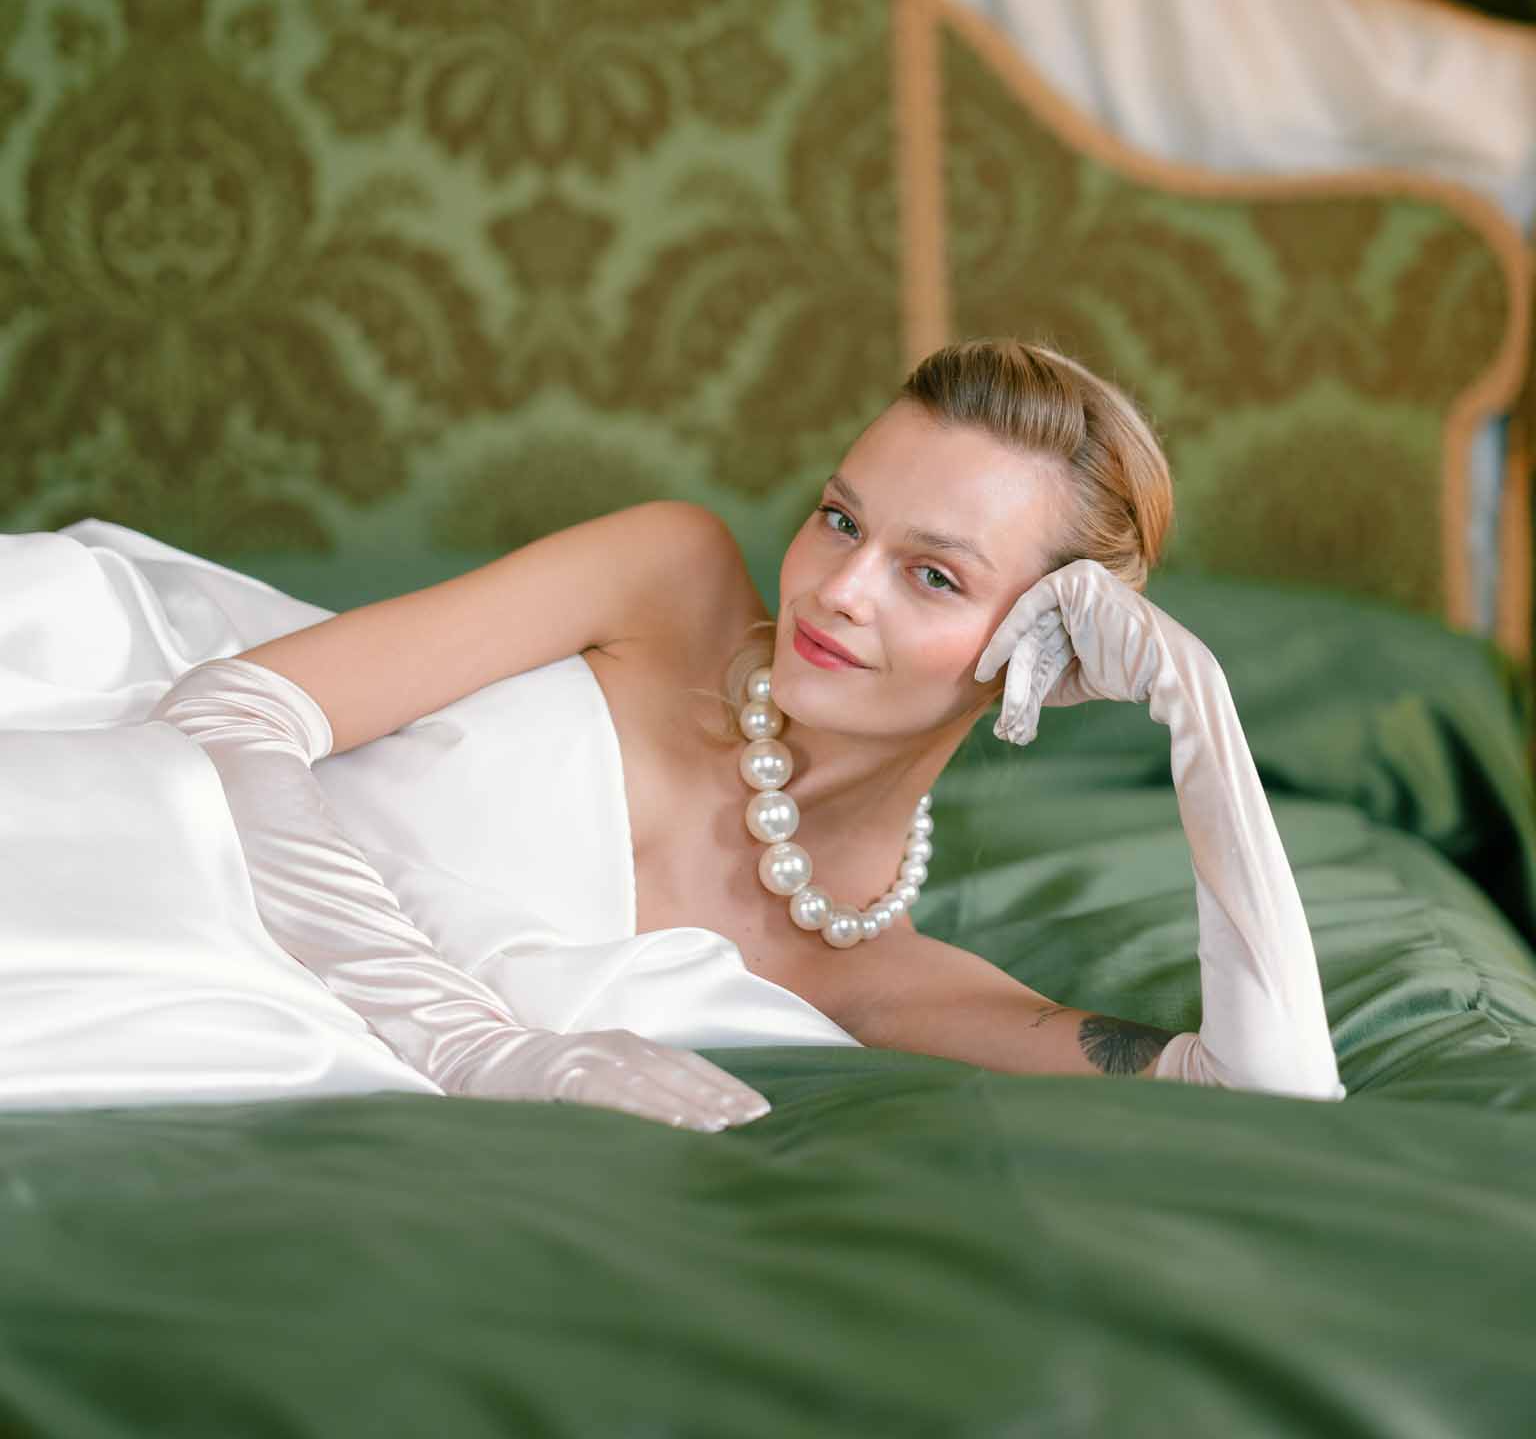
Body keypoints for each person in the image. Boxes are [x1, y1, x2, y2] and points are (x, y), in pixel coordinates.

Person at [151, 337, 1345, 1132]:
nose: (840, 587)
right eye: (840, 518)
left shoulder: (886, 985)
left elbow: (1270, 1090)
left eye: (932, 575)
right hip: (130, 820)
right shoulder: (669, 581)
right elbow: (225, 710)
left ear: (1042, 645)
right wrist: (471, 1043)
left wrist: (1203, 708)